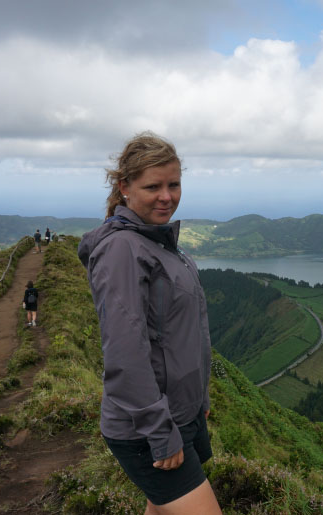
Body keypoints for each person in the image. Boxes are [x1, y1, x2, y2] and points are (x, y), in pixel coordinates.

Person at [78, 132, 220, 515]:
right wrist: (160, 433)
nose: (167, 196)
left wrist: (198, 401)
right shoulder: (123, 249)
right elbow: (126, 352)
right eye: (152, 186)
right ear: (124, 187)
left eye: (173, 184)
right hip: (147, 427)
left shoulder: (156, 242)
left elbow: (182, 337)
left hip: (176, 414)